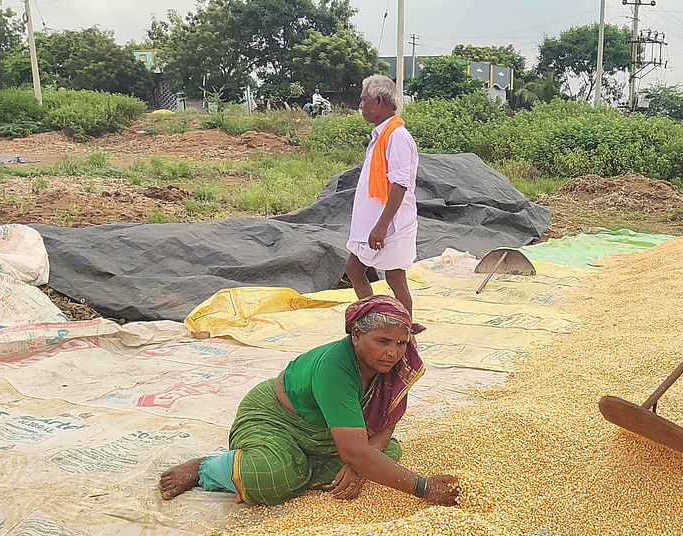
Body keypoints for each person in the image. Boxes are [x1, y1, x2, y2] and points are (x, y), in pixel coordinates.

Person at [158, 296, 459, 507]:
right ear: (356, 335)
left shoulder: (390, 367)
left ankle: (304, 467)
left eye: (400, 343)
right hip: (277, 420)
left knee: (388, 452)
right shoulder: (335, 366)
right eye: (383, 341)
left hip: (325, 434)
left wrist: (358, 465)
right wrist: (423, 488)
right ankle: (207, 467)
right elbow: (358, 448)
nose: (393, 353)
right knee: (270, 479)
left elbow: (386, 423)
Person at [345, 74, 418, 315]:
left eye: (364, 100)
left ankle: (403, 333)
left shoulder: (397, 136)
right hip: (376, 222)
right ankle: (378, 319)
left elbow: (400, 185)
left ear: (379, 101)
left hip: (391, 223)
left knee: (395, 278)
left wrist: (382, 226)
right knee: (355, 268)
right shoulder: (381, 136)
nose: (361, 106)